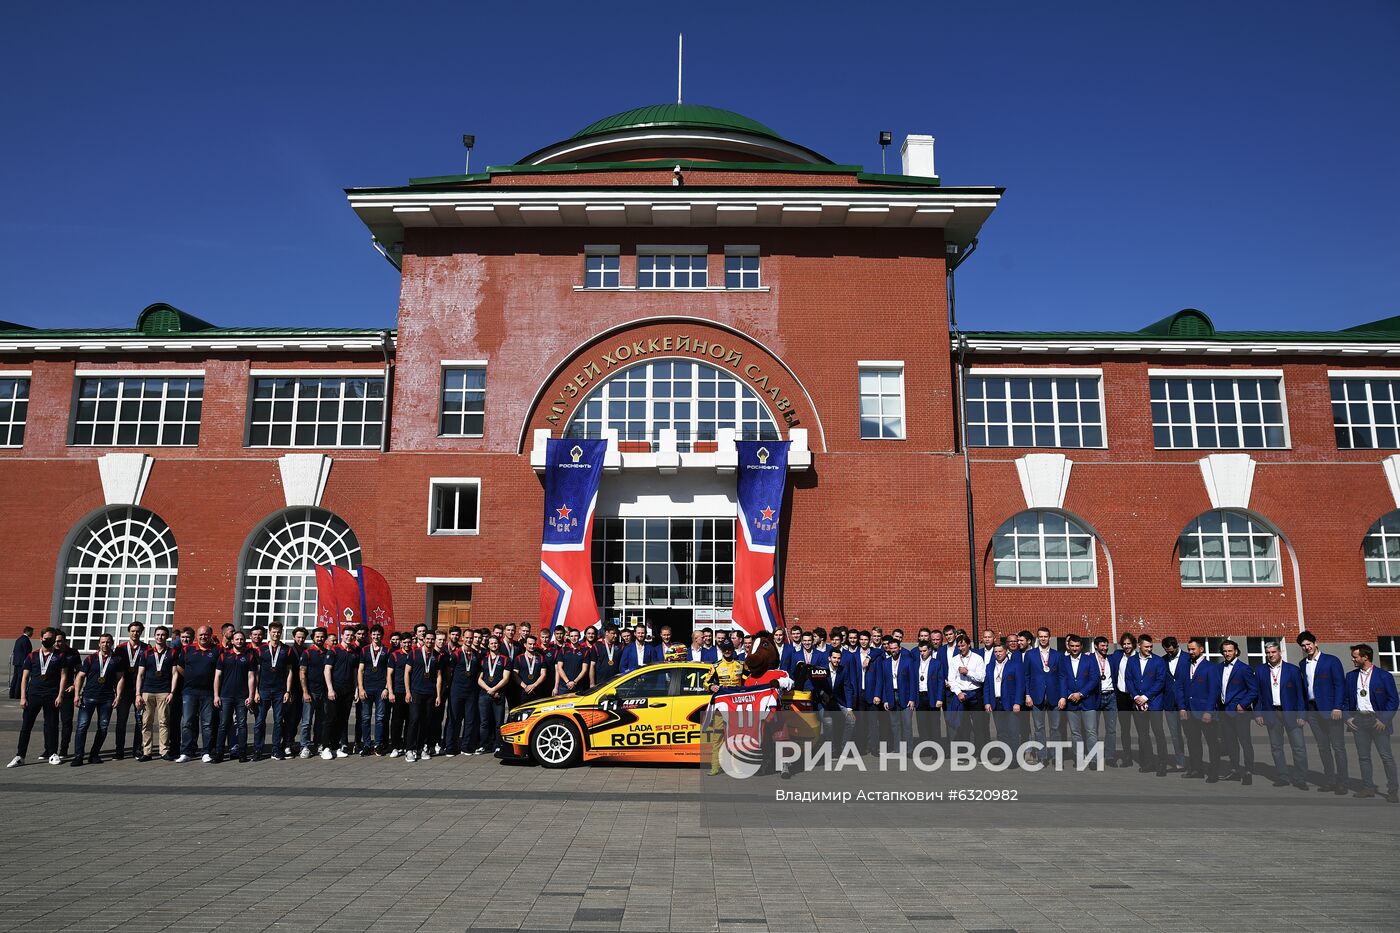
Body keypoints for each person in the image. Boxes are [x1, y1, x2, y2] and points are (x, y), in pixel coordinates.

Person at [1297, 630, 1350, 795]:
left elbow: (1340, 685)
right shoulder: (1302, 664)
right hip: (1312, 710)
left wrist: (1337, 707)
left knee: (1338, 748)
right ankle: (1330, 780)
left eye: (1309, 644)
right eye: (1303, 646)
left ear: (1315, 643)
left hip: (1330, 709)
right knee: (1323, 747)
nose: (1307, 648)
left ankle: (1342, 782)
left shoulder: (1331, 661)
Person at [1343, 644, 1398, 803]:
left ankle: (1393, 791)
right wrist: (1347, 717)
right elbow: (1346, 700)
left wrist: (1384, 720)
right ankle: (1368, 788)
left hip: (1378, 721)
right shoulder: (1351, 676)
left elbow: (1393, 700)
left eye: (1355, 657)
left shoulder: (1384, 676)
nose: (1353, 659)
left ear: (1365, 657)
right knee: (1363, 757)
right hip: (1359, 721)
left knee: (1386, 757)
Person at [7, 627, 68, 767]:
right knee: (26, 726)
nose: (48, 641)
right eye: (46, 638)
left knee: (52, 725)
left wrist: (60, 695)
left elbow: (63, 676)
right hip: (33, 694)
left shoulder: (60, 656)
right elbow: (24, 677)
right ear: (41, 639)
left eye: (51, 639)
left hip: (51, 695)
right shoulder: (32, 656)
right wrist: (23, 697)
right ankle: (20, 756)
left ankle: (53, 754)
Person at [1253, 640, 1309, 789]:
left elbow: (1300, 695)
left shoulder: (1293, 670)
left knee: (1298, 747)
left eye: (1273, 652)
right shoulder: (1260, 670)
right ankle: (1283, 776)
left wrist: (1302, 715)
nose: (1271, 655)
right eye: (1268, 653)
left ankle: (1300, 778)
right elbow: (1257, 694)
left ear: (1280, 652)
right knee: (1276, 747)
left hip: (1291, 713)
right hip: (1272, 713)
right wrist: (1257, 713)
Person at [70, 633, 123, 766]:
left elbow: (120, 678)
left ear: (112, 643)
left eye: (108, 642)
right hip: (88, 697)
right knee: (82, 726)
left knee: (103, 727)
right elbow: (80, 676)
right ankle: (78, 756)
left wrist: (118, 695)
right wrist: (77, 694)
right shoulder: (90, 659)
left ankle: (94, 754)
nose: (106, 644)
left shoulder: (117, 659)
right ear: (99, 644)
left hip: (107, 698)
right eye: (103, 642)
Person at [1124, 633, 1169, 776]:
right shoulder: (1131, 661)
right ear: (1139, 646)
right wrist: (1136, 697)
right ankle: (1148, 762)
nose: (1149, 649)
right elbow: (1128, 679)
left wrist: (1145, 697)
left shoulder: (1158, 661)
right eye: (1146, 647)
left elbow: (1160, 682)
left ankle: (1162, 764)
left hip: (1154, 704)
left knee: (1159, 734)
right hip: (1137, 704)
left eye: (1151, 646)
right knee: (1143, 735)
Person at [1179, 636, 1222, 782]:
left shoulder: (1211, 667)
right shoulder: (1185, 666)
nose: (1190, 652)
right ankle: (1197, 769)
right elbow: (1179, 688)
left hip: (1205, 712)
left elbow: (1214, 691)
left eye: (1193, 649)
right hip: (1189, 712)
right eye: (1189, 649)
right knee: (1193, 742)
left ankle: (1214, 772)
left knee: (1212, 744)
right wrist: (1182, 708)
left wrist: (1208, 711)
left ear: (1201, 649)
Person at [176, 625, 220, 763]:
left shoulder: (217, 651)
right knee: (187, 722)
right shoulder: (188, 649)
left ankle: (206, 752)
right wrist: (190, 677)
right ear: (196, 636)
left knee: (207, 724)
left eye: (206, 634)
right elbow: (179, 667)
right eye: (201, 634)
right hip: (190, 692)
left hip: (208, 693)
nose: (203, 637)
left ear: (210, 635)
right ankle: (186, 752)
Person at [1216, 639, 1257, 784]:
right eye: (1225, 651)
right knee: (1231, 743)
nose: (1227, 653)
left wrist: (1243, 704)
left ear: (1236, 651)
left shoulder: (1244, 668)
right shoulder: (1219, 668)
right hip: (1224, 711)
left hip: (1240, 712)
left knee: (1245, 742)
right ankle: (1234, 770)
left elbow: (1253, 690)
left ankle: (1248, 772)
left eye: (1230, 651)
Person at [135, 626, 178, 761]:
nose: (160, 637)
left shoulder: (172, 653)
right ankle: (147, 752)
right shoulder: (146, 653)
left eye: (163, 635)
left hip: (164, 692)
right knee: (146, 722)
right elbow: (140, 675)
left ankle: (164, 751)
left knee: (164, 722)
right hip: (147, 691)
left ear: (167, 637)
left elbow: (175, 673)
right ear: (154, 636)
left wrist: (172, 692)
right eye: (158, 635)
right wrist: (138, 694)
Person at [213, 630, 256, 762]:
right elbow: (217, 677)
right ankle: (219, 753)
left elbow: (251, 677)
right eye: (236, 639)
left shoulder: (249, 656)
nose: (239, 641)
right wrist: (216, 695)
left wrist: (251, 696)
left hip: (242, 697)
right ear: (232, 641)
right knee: (223, 725)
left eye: (241, 639)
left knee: (242, 725)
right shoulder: (223, 656)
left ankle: (242, 753)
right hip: (226, 696)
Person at [254, 622, 294, 761]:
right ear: (269, 633)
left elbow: (290, 671)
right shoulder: (260, 650)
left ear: (281, 633)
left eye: (278, 632)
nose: (276, 634)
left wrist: (287, 691)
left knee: (278, 721)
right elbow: (256, 672)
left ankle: (276, 750)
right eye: (273, 632)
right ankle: (258, 750)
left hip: (279, 690)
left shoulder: (287, 650)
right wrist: (256, 691)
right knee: (259, 721)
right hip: (264, 689)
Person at [1023, 627, 1061, 763]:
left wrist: (1062, 697)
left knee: (1055, 728)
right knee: (1039, 728)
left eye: (1045, 636)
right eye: (1041, 636)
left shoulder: (1057, 655)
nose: (1043, 639)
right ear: (1037, 638)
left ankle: (1056, 755)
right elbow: (1026, 676)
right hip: (1036, 695)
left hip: (1054, 696)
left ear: (1049, 637)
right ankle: (1042, 755)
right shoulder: (1030, 655)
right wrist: (1027, 694)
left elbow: (1061, 677)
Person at [1057, 634, 1099, 755]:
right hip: (1071, 702)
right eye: (1072, 646)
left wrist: (1081, 694)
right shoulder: (1063, 660)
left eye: (1077, 646)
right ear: (1068, 646)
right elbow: (1062, 679)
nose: (1074, 648)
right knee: (1075, 732)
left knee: (1091, 731)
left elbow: (1094, 679)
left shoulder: (1090, 660)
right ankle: (1079, 757)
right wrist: (1068, 695)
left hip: (1088, 701)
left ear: (1081, 646)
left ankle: (1093, 758)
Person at [110, 622, 145, 760]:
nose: (135, 633)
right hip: (123, 691)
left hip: (139, 691)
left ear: (141, 632)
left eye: (138, 631)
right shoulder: (120, 648)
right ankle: (119, 750)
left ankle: (137, 749)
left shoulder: (146, 648)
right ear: (128, 632)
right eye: (132, 631)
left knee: (139, 721)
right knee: (121, 721)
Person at [984, 642, 1023, 762]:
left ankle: (1015, 759)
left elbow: (1020, 685)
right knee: (1001, 732)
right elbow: (987, 686)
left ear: (1006, 651)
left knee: (1013, 731)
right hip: (996, 702)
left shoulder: (1015, 665)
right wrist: (987, 702)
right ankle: (1004, 757)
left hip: (1010, 703)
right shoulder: (990, 666)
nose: (998, 654)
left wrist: (1017, 702)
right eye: (996, 652)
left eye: (1000, 651)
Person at [323, 628, 359, 759]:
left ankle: (335, 746)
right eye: (347, 635)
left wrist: (356, 689)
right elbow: (327, 670)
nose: (349, 637)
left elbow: (355, 673)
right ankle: (325, 747)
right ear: (342, 636)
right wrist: (330, 689)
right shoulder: (334, 651)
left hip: (348, 690)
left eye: (351, 635)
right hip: (335, 689)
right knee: (331, 718)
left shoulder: (354, 653)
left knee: (343, 719)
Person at [357, 624, 391, 757]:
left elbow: (389, 672)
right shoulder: (365, 650)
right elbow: (360, 670)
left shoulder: (386, 651)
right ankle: (366, 745)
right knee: (365, 718)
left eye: (378, 634)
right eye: (374, 634)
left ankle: (377, 745)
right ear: (370, 635)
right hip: (367, 689)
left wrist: (387, 688)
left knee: (380, 718)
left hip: (381, 689)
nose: (376, 636)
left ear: (382, 636)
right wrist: (360, 688)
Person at [945, 634, 986, 745]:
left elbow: (981, 678)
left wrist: (968, 672)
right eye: (958, 646)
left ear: (968, 644)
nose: (961, 648)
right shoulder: (954, 660)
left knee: (978, 726)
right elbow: (951, 680)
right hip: (960, 695)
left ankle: (980, 752)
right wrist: (958, 693)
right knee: (962, 726)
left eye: (963, 645)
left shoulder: (977, 658)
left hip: (975, 694)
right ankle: (965, 753)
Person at [444, 629, 480, 756]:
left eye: (471, 638)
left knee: (470, 720)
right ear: (463, 639)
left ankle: (466, 746)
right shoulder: (456, 654)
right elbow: (449, 672)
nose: (469, 640)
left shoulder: (476, 654)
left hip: (471, 692)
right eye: (467, 638)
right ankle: (450, 747)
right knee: (454, 719)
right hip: (457, 691)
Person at [297, 627, 330, 759]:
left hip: (324, 693)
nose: (320, 639)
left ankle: (318, 744)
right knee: (306, 722)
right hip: (310, 692)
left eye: (322, 637)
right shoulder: (307, 653)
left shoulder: (328, 653)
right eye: (317, 637)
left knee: (321, 721)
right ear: (313, 638)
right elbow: (302, 672)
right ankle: (304, 746)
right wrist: (305, 692)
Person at [477, 634, 511, 754]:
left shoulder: (506, 659)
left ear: (499, 644)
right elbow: (479, 679)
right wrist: (489, 690)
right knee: (484, 722)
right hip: (484, 695)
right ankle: (483, 745)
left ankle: (498, 745)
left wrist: (495, 689)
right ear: (488, 645)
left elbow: (506, 678)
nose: (494, 645)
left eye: (495, 643)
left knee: (498, 723)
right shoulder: (483, 659)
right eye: (491, 643)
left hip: (499, 695)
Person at [1091, 636, 1121, 766]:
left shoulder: (1112, 658)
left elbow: (1124, 652)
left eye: (1106, 646)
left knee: (1111, 729)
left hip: (1111, 696)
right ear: (1096, 646)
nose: (1105, 648)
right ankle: (1094, 757)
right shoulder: (1089, 659)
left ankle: (1110, 756)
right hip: (1095, 696)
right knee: (1093, 729)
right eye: (1102, 646)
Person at [1112, 633, 1139, 767]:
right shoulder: (1118, 655)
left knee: (1141, 728)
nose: (1126, 646)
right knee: (1125, 728)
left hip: (1136, 698)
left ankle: (1144, 757)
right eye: (1124, 644)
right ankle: (1127, 757)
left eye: (1129, 644)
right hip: (1122, 696)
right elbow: (1104, 658)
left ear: (1133, 644)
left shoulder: (1140, 657)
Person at [1159, 636, 1187, 771]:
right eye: (1166, 651)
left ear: (1176, 646)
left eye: (1171, 651)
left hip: (1186, 704)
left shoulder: (1188, 658)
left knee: (1190, 734)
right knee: (1175, 735)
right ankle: (1180, 761)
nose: (1169, 653)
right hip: (1169, 703)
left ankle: (1194, 760)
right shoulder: (1163, 661)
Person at [53, 631, 79, 759]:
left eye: (59, 641)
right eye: (55, 641)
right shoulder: (50, 652)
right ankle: (49, 749)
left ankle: (63, 749)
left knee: (66, 721)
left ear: (65, 641)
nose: (57, 643)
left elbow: (79, 672)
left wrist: (74, 685)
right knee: (51, 721)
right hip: (52, 691)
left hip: (67, 691)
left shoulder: (73, 653)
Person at [514, 635, 548, 706]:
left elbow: (543, 674)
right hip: (522, 692)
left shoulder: (541, 658)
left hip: (537, 691)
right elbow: (515, 675)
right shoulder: (518, 658)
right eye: (530, 644)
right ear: (525, 645)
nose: (532, 646)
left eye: (534, 644)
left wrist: (533, 686)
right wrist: (525, 687)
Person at [556, 628, 590, 696]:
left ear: (579, 637)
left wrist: (574, 682)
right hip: (564, 686)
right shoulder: (563, 650)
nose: (574, 638)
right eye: (571, 636)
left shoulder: (585, 651)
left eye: (576, 636)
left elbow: (584, 669)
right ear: (569, 637)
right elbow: (559, 668)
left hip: (578, 686)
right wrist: (568, 682)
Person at [8, 625, 32, 700]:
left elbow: (15, 650)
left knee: (15, 677)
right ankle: (17, 694)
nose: (32, 634)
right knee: (20, 678)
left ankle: (12, 693)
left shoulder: (19, 639)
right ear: (28, 632)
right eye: (31, 632)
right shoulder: (26, 640)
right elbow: (26, 651)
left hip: (17, 661)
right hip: (22, 662)